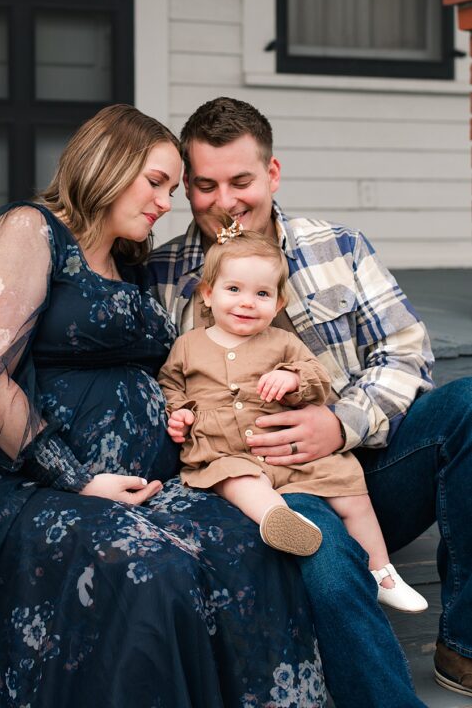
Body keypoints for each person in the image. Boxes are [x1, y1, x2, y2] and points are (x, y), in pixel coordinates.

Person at [0, 104, 327, 708]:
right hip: (28, 483)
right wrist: (77, 478)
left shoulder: (131, 261)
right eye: (156, 182)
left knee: (247, 547)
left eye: (172, 189)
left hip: (145, 481)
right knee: (154, 576)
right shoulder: (29, 229)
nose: (165, 203)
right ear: (107, 163)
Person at [147, 96, 472, 708]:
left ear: (271, 173)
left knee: (470, 407)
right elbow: (161, 386)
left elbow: (407, 352)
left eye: (241, 181)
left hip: (367, 461)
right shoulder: (163, 276)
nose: (226, 202)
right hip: (270, 482)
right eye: (206, 186)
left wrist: (340, 423)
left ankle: (465, 646)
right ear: (188, 188)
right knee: (320, 552)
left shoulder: (338, 246)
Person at [158, 227, 427, 613]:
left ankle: (382, 571)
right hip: (224, 448)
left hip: (294, 452)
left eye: (262, 294)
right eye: (233, 289)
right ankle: (279, 521)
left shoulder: (282, 342)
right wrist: (179, 412)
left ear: (279, 302)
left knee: (350, 487)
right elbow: (170, 383)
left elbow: (318, 380)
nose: (247, 303)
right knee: (235, 479)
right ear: (207, 293)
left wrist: (293, 379)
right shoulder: (188, 345)